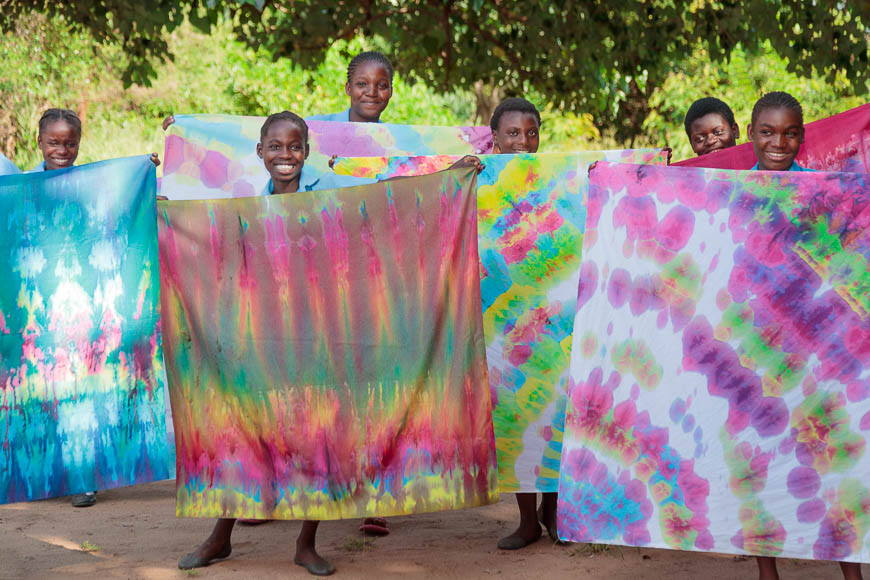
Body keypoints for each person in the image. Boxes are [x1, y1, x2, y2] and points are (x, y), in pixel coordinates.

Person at [178, 111, 335, 576]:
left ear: (306, 150)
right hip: (262, 333)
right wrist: (171, 212)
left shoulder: (331, 189)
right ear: (260, 152)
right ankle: (220, 536)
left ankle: (306, 543)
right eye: (276, 147)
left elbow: (393, 197)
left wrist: (447, 178)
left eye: (295, 147)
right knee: (244, 428)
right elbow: (215, 243)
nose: (285, 156)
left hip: (318, 332)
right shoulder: (248, 202)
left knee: (316, 434)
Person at [748, 91, 863, 580]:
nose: (779, 141)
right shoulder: (725, 188)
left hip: (819, 348)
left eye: (790, 132)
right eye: (768, 132)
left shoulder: (825, 190)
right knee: (757, 462)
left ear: (802, 135)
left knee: (833, 462)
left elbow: (848, 251)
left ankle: (852, 571)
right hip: (751, 349)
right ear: (751, 134)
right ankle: (767, 573)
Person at [29, 108, 162, 507]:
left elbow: (117, 215)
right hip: (39, 304)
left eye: (70, 142)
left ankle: (84, 477)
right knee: (43, 387)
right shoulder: (21, 186)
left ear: (79, 143)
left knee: (82, 385)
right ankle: (47, 474)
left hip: (82, 301)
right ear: (39, 143)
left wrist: (141, 172)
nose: (62, 149)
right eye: (53, 142)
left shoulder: (92, 184)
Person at [486, 97, 561, 550]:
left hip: (551, 317)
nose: (523, 141)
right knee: (514, 416)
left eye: (531, 133)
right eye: (513, 133)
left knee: (552, 413)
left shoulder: (554, 178)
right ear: (494, 137)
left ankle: (553, 511)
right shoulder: (479, 176)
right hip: (501, 322)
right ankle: (526, 518)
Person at [307, 51, 394, 123]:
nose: (372, 93)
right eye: (361, 84)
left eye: (382, 85)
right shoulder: (312, 127)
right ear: (348, 88)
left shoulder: (396, 140)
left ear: (391, 92)